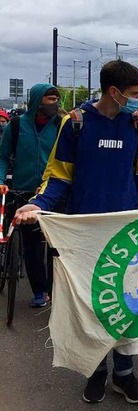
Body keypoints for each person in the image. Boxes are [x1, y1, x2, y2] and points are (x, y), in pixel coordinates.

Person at [14, 60, 138, 403]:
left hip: (128, 231)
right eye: (135, 94)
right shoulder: (74, 123)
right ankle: (95, 370)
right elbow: (59, 176)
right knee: (92, 305)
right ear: (114, 92)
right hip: (85, 232)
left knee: (131, 302)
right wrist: (38, 204)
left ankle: (124, 372)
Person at [0, 83, 62, 307]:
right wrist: (0, 181)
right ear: (37, 101)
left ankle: (57, 289)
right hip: (24, 192)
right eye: (50, 99)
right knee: (32, 246)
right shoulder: (16, 125)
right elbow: (3, 156)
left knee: (57, 246)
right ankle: (39, 291)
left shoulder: (61, 125)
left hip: (54, 192)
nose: (55, 103)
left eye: (57, 99)